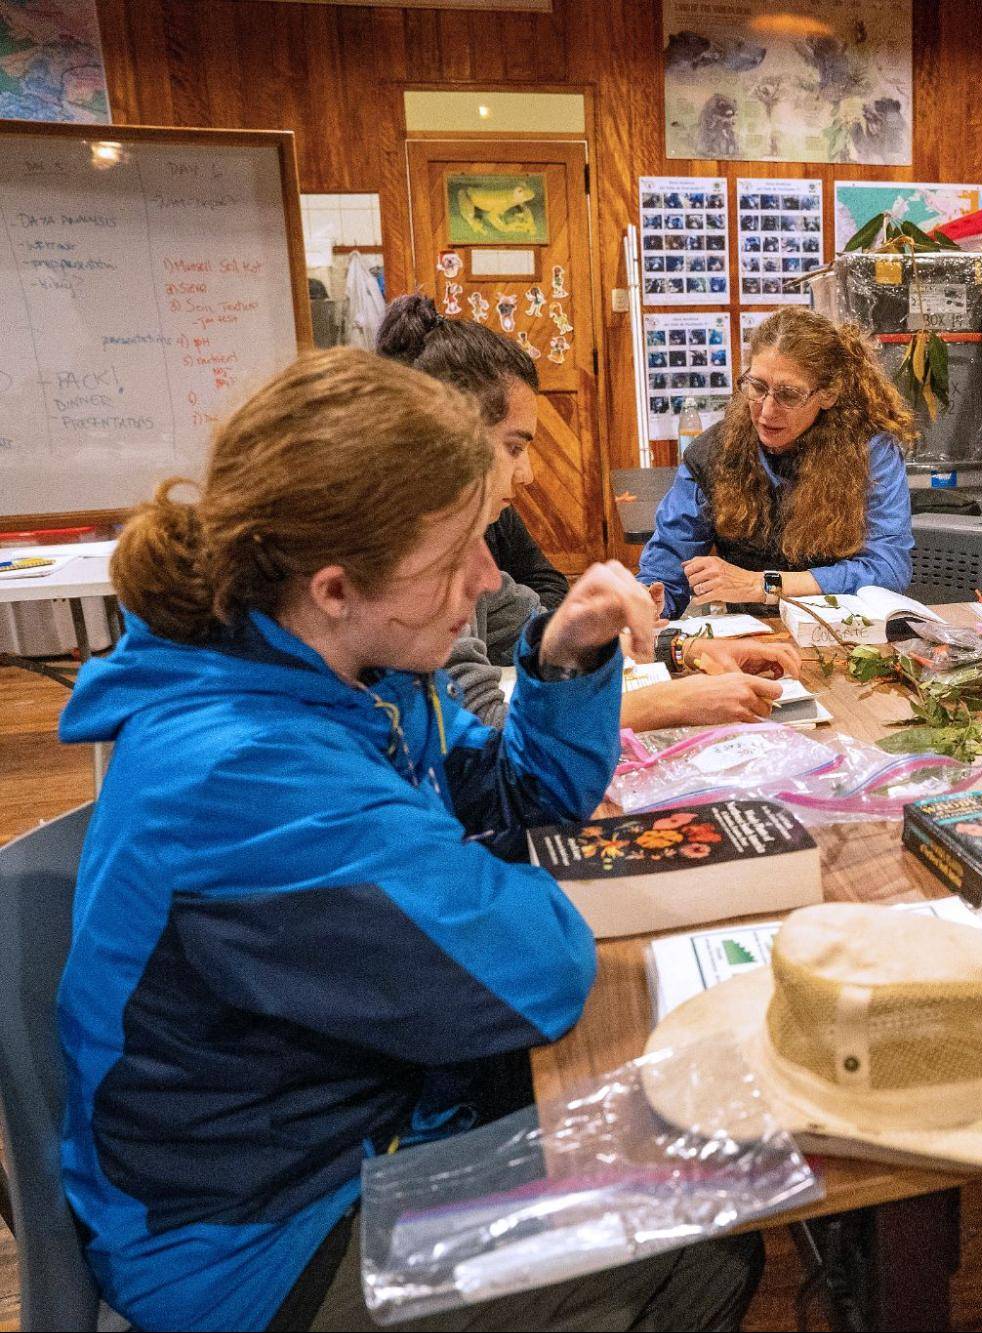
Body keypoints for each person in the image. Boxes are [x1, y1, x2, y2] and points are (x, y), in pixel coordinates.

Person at [56, 350, 763, 1331]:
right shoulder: (244, 776)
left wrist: (565, 661)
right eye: (458, 553)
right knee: (703, 1223)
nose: (487, 578)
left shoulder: (345, 669)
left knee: (675, 1138)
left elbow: (517, 803)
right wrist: (467, 867)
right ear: (337, 584)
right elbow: (540, 970)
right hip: (261, 1244)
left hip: (345, 1130)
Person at [378, 294, 798, 728]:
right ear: (441, 439)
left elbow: (538, 628)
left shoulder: (445, 547)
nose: (526, 475)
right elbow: (486, 737)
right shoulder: (409, 567)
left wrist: (681, 648)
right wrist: (666, 704)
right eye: (513, 448)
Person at [638, 307, 915, 617]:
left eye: (789, 395)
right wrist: (650, 600)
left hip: (842, 630)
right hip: (751, 635)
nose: (767, 411)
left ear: (827, 394)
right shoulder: (714, 452)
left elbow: (888, 569)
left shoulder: (869, 451)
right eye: (757, 387)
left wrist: (764, 585)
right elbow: (668, 563)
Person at [376, 294, 571, 610]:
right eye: (514, 448)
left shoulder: (473, 519)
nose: (527, 475)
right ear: (447, 436)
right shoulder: (400, 544)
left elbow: (534, 606)